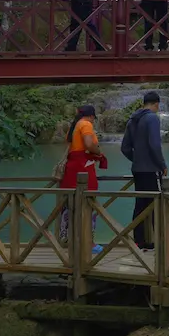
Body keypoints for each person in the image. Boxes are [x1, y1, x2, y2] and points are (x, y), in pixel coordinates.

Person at [120, 90, 167, 252]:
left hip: (138, 170)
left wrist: (137, 159)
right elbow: (155, 145)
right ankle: (162, 243)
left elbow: (125, 148)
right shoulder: (152, 118)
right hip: (151, 169)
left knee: (141, 205)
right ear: (156, 104)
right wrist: (162, 165)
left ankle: (140, 242)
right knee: (158, 204)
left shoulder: (133, 119)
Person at [57, 104, 107, 244]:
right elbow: (88, 144)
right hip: (83, 168)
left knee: (71, 203)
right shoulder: (85, 124)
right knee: (88, 201)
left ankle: (67, 237)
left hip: (71, 169)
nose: (93, 121)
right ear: (91, 116)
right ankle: (87, 242)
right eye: (93, 118)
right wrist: (99, 152)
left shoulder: (74, 126)